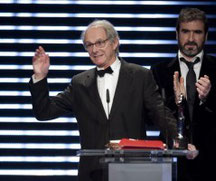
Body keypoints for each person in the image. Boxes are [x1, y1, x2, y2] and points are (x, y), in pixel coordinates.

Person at [29, 20, 179, 181]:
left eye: (100, 43)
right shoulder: (79, 83)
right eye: (89, 45)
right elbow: (44, 112)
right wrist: (40, 77)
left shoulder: (140, 75)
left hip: (133, 169)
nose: (94, 50)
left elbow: (159, 113)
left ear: (115, 42)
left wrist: (178, 138)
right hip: (93, 171)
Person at [151, 8, 216, 181]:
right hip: (172, 163)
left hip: (214, 165)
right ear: (176, 34)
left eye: (197, 32)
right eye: (185, 31)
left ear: (206, 36)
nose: (191, 39)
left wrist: (208, 97)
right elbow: (150, 117)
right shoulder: (159, 71)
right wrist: (175, 100)